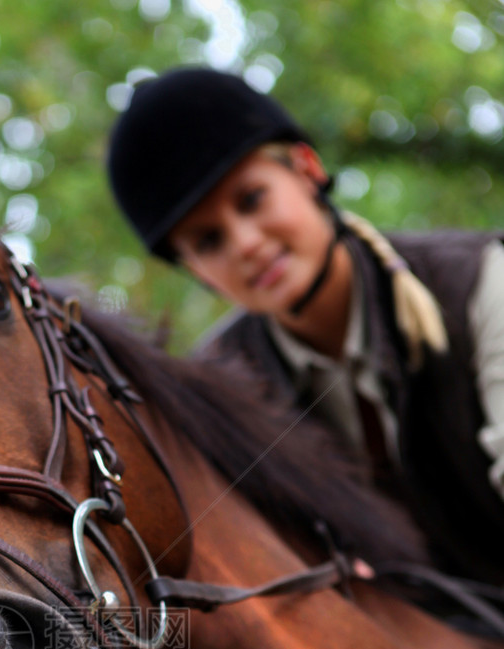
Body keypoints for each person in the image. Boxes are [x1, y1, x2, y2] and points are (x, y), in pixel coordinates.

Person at [106, 67, 504, 586]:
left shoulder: (478, 280)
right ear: (195, 272)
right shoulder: (221, 392)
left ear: (307, 169)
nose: (245, 243)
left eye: (251, 199)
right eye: (208, 242)